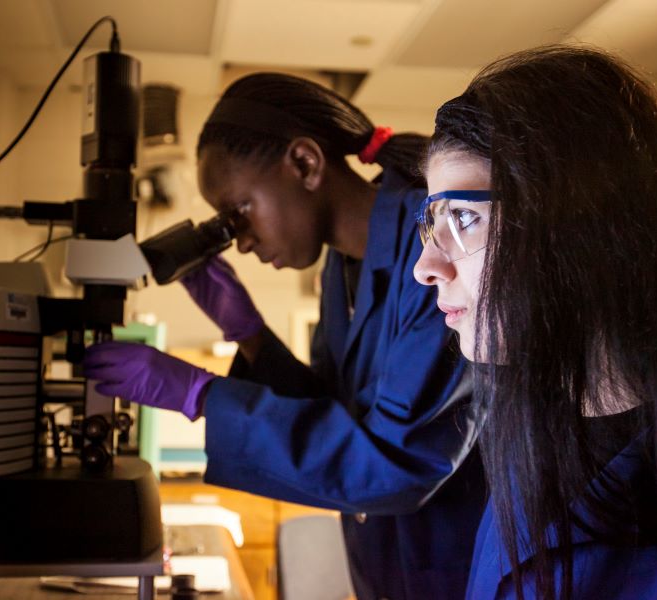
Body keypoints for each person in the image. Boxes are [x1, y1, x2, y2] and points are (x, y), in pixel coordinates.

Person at [85, 73, 487, 599]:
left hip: (455, 573)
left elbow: (393, 464)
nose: (243, 241)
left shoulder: (434, 256)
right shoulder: (341, 269)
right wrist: (249, 334)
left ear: (304, 163)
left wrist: (201, 394)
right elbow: (331, 409)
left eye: (240, 212)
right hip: (388, 576)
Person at [413, 45, 657, 600]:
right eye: (433, 223)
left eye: (465, 217)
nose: (425, 267)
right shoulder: (528, 423)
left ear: (584, 225)